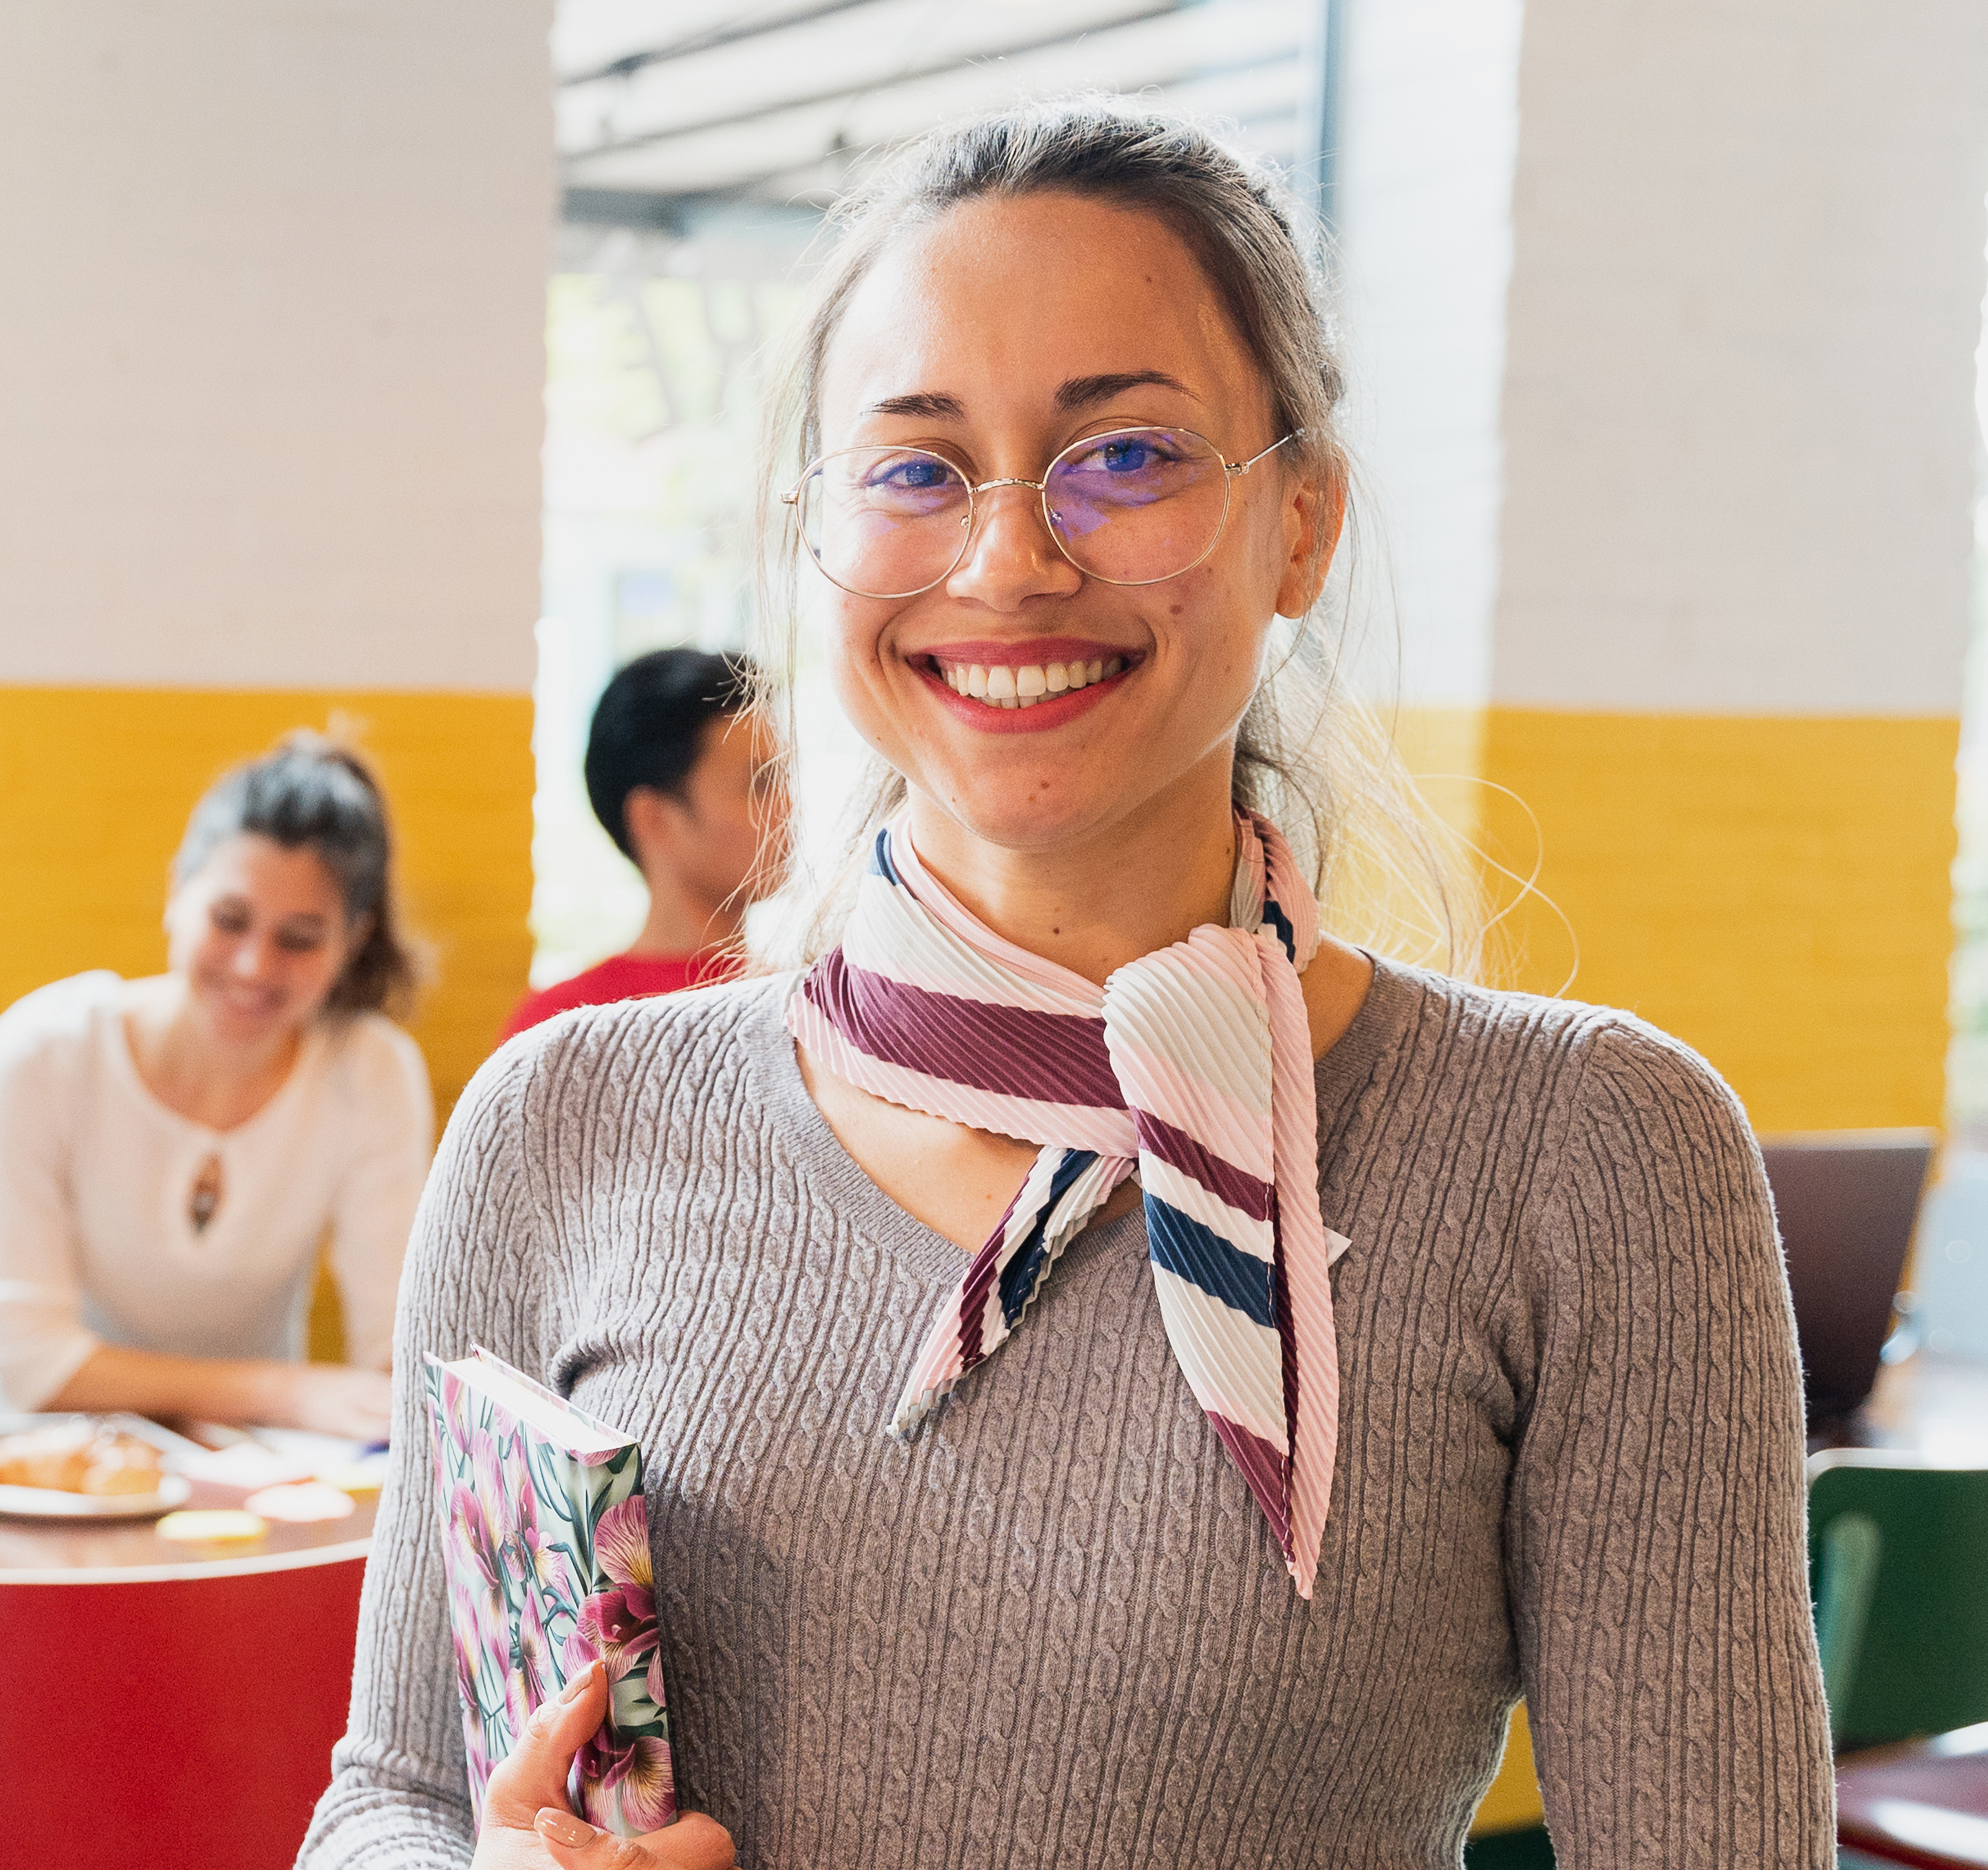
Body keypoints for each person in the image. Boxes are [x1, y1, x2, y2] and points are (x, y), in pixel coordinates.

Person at [299, 101, 1828, 1870]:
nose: (1009, 561)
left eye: (1125, 457)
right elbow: (394, 1796)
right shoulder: (565, 1116)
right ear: (820, 527)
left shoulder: (1586, 1154)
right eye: (916, 468)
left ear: (1302, 525)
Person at [0, 732, 431, 1441]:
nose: (254, 966)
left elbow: (395, 1348)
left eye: (299, 938)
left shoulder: (370, 1069)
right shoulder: (40, 1056)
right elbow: (31, 1364)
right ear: (178, 891)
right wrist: (281, 1390)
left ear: (351, 942)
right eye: (229, 920)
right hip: (30, 1473)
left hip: (250, 1475)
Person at [506, 649, 784, 1040]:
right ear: (654, 819)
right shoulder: (558, 1031)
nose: (788, 807)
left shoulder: (809, 1006)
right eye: (759, 785)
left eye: (785, 780)